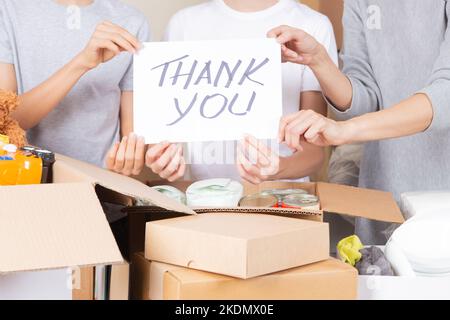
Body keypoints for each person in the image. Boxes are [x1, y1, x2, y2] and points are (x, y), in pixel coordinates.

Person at [271, 0, 450, 244]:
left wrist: (345, 130)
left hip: (441, 204)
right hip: (382, 194)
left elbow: (446, 94)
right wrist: (319, 60)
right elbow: (365, 98)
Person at [143, 0, 338, 184]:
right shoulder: (183, 24)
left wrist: (279, 168)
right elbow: (164, 137)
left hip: (281, 200)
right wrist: (163, 160)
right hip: (204, 199)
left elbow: (314, 152)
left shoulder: (312, 25)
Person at [0, 0, 150, 174]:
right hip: (29, 180)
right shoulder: (8, 10)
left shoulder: (133, 21)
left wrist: (133, 159)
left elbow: (133, 135)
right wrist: (82, 62)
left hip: (104, 185)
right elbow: (6, 120)